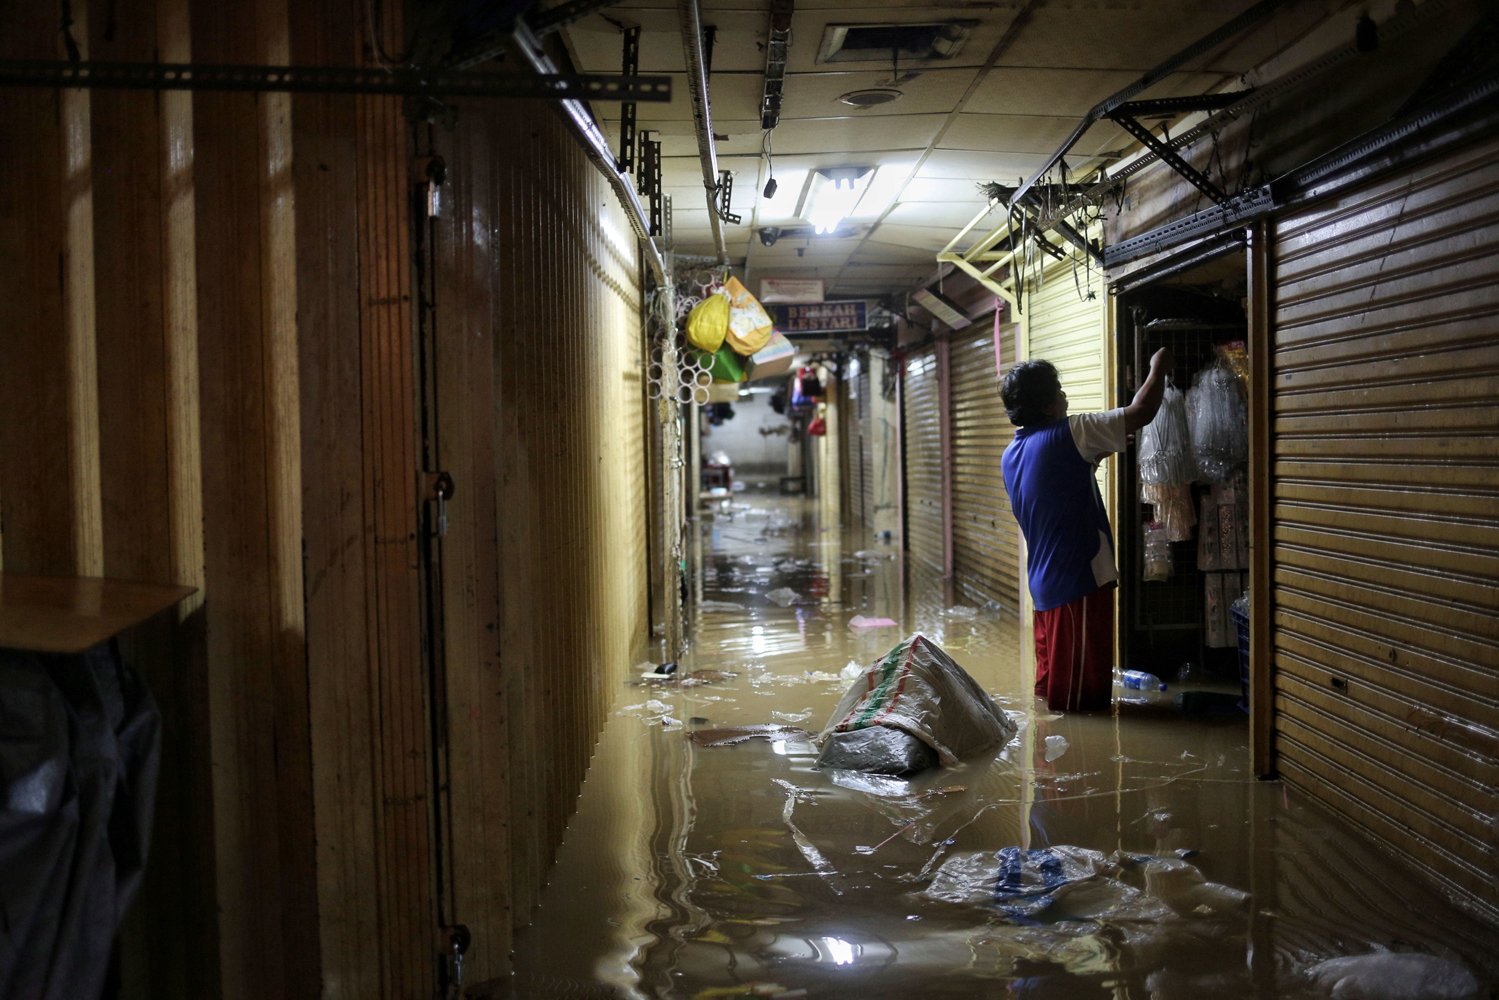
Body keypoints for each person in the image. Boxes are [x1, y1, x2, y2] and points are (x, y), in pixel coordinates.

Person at [1000, 348, 1173, 711]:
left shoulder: (1013, 452)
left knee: (1052, 702)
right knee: (1081, 708)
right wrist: (1158, 368)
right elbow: (1142, 412)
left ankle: (1047, 767)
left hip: (1046, 589)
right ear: (1048, 405)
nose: (1065, 396)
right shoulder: (1071, 432)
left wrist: (1094, 454)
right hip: (1076, 585)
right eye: (1059, 390)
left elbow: (1056, 487)